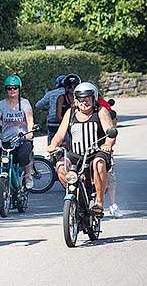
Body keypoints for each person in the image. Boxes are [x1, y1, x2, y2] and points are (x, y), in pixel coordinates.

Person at [47, 82, 115, 217]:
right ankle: (75, 197)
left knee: (99, 163)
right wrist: (53, 145)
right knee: (61, 167)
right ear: (76, 100)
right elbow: (60, 134)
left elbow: (110, 132)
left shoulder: (101, 111)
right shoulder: (70, 112)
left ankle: (99, 203)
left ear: (93, 98)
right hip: (76, 154)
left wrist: (108, 145)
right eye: (81, 100)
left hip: (97, 152)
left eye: (87, 99)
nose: (84, 103)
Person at [0, 74, 35, 190]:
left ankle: (28, 175)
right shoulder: (1, 104)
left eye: (15, 88)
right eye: (9, 88)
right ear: (6, 89)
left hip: (22, 139)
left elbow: (29, 119)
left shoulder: (24, 103)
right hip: (7, 140)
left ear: (19, 89)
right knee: (3, 163)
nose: (12, 90)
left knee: (24, 156)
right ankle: (3, 193)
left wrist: (29, 133)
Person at [98, 97, 123, 218]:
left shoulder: (102, 106)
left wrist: (108, 144)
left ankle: (112, 204)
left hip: (101, 147)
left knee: (109, 174)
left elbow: (112, 128)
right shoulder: (73, 109)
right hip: (81, 150)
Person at [35, 75, 65, 145]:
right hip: (65, 122)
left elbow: (38, 105)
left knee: (51, 141)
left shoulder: (50, 93)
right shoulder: (71, 94)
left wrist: (47, 107)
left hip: (52, 122)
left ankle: (51, 151)